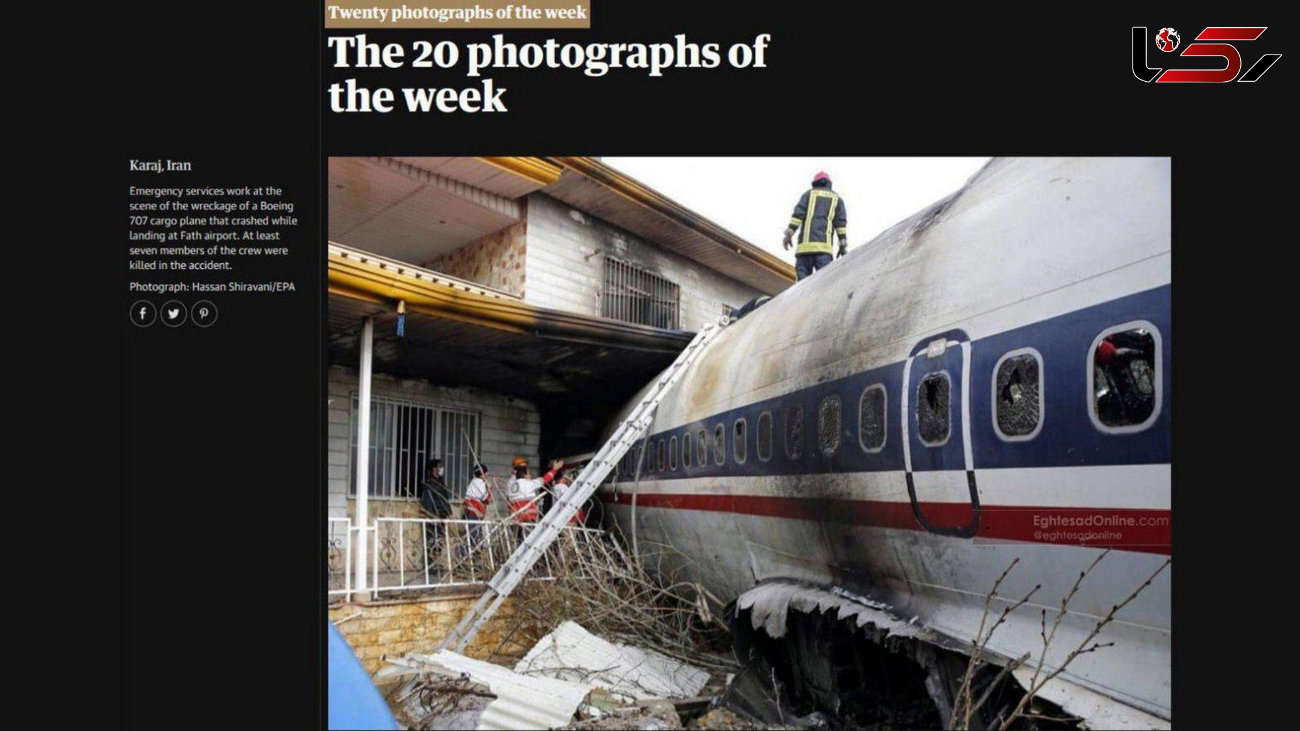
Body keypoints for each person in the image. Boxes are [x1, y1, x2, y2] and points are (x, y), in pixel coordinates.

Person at [783, 171, 849, 281]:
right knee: (824, 285)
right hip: (823, 251)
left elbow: (797, 215)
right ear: (828, 183)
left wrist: (789, 233)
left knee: (801, 287)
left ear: (814, 183)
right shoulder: (837, 199)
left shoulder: (808, 195)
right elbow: (840, 224)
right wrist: (842, 245)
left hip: (804, 250)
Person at [505, 456, 563, 525]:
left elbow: (508, 500)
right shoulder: (528, 483)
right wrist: (554, 469)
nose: (530, 475)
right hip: (528, 516)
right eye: (528, 473)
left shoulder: (511, 484)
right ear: (525, 473)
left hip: (515, 515)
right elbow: (545, 479)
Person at [417, 458, 452, 557]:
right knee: (432, 541)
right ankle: (430, 564)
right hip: (434, 516)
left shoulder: (440, 482)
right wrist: (431, 516)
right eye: (439, 466)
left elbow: (444, 499)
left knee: (440, 541)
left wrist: (447, 512)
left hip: (442, 516)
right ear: (434, 469)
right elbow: (427, 501)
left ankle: (436, 563)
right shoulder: (430, 483)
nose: (441, 469)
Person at [463, 463, 492, 549]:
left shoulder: (476, 482)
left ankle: (475, 553)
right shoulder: (478, 483)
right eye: (486, 472)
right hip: (473, 512)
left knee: (476, 535)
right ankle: (471, 554)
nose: (488, 474)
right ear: (482, 473)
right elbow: (486, 498)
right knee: (474, 536)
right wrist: (489, 488)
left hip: (474, 511)